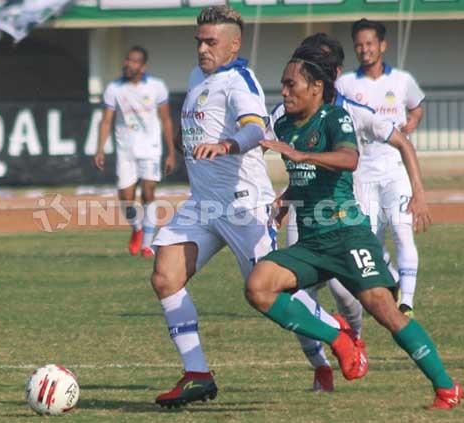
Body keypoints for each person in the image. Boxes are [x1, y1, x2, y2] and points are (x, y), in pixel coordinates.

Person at [148, 6, 346, 409]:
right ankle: (197, 375)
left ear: (233, 44)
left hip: (243, 205)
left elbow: (255, 127)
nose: (202, 48)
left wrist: (228, 144)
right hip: (203, 205)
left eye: (211, 42)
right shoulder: (197, 77)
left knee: (268, 293)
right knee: (165, 277)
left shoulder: (239, 80)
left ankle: (335, 336)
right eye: (199, 41)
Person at [249, 44, 464, 410]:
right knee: (258, 287)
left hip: (348, 236)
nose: (283, 92)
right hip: (311, 242)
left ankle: (447, 388)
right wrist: (285, 199)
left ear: (316, 87)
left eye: (290, 84)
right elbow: (299, 173)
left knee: (385, 311)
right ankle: (340, 339)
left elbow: (349, 159)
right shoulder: (283, 122)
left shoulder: (336, 118)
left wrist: (303, 155)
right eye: (282, 85)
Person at [273, 33, 431, 392]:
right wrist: (284, 199)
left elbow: (402, 142)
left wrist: (419, 194)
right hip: (306, 216)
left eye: (324, 66)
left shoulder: (353, 113)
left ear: (333, 74)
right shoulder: (286, 112)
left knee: (349, 295)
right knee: (297, 297)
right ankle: (322, 365)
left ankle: (355, 341)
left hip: (344, 221)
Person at [337, 19, 426, 317]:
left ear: (382, 45)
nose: (364, 50)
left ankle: (407, 303)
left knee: (402, 231)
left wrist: (412, 122)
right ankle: (397, 282)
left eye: (370, 43)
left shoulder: (402, 80)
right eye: (359, 45)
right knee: (371, 241)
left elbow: (417, 106)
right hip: (361, 174)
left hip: (395, 169)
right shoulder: (346, 84)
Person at [95, 46, 176, 258]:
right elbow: (106, 121)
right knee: (126, 198)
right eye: (126, 60)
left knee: (148, 193)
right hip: (126, 151)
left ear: (143, 66)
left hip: (150, 150)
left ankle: (148, 244)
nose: (127, 64)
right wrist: (100, 149)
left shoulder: (156, 87)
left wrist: (171, 152)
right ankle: (137, 228)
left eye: (133, 61)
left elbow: (166, 120)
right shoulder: (114, 89)